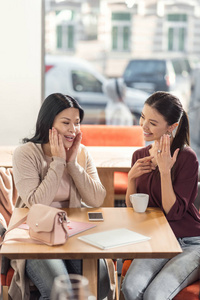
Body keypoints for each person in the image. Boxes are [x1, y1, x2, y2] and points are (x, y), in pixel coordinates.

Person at [9, 93, 106, 300]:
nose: (73, 130)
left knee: (99, 278)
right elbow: (37, 204)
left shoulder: (81, 153)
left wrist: (72, 164)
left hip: (72, 230)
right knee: (58, 286)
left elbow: (97, 198)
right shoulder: (25, 154)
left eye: (77, 123)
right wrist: (59, 162)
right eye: (66, 122)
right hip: (35, 234)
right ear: (48, 124)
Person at [122, 91, 200, 300]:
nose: (144, 126)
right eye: (143, 117)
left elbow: (173, 213)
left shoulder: (186, 158)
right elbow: (132, 210)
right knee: (130, 288)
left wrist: (165, 171)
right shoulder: (139, 156)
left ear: (171, 127)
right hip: (157, 239)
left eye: (153, 122)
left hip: (191, 242)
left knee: (155, 295)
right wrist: (131, 179)